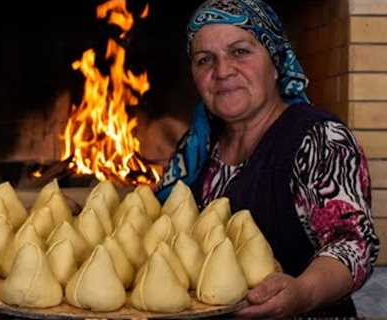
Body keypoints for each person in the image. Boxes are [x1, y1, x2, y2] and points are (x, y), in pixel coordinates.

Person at [155, 0, 380, 318]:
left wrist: (302, 294)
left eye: (240, 52)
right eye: (205, 60)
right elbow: (158, 226)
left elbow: (353, 244)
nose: (222, 71)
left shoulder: (319, 139)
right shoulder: (196, 148)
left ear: (275, 62)